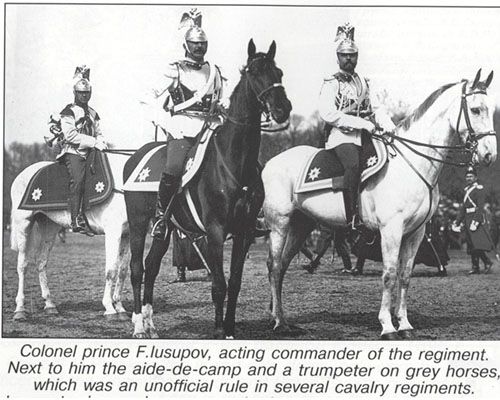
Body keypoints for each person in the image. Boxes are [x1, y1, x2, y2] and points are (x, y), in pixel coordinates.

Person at [140, 8, 224, 239]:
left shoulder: (214, 71)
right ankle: (161, 216)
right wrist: (167, 123)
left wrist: (223, 108)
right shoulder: (174, 69)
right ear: (186, 44)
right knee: (174, 167)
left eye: (202, 44)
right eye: (194, 43)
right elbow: (147, 97)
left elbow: (220, 99)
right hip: (182, 129)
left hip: (210, 129)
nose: (199, 48)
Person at [318, 23, 395, 233]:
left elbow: (376, 108)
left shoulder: (364, 82)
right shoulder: (332, 82)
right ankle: (353, 218)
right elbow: (328, 113)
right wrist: (364, 124)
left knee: (387, 162)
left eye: (352, 55)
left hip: (366, 135)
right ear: (338, 57)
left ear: (357, 56)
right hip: (341, 137)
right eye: (344, 55)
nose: (348, 59)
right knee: (352, 164)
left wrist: (390, 127)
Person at [56, 65, 107, 234]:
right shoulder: (68, 111)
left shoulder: (93, 113)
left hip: (92, 152)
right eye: (81, 93)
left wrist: (101, 142)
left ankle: (93, 217)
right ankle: (75, 218)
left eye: (87, 93)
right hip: (73, 152)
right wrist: (93, 141)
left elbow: (99, 132)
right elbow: (70, 136)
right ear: (75, 93)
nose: (84, 96)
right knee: (78, 180)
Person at [453, 167, 493, 274]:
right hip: (467, 218)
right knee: (471, 244)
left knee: (477, 244)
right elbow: (463, 208)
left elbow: (480, 207)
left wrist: (475, 221)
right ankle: (475, 267)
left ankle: (487, 262)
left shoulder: (479, 189)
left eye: (471, 176)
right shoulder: (466, 190)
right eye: (467, 177)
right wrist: (457, 221)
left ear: (475, 178)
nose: (469, 178)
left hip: (476, 219)